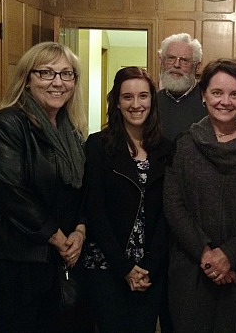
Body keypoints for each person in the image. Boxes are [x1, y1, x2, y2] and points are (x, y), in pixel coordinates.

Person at [0, 42, 89, 332]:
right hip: (10, 263)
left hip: (51, 260)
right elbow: (12, 195)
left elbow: (79, 191)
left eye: (67, 74)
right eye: (46, 72)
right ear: (27, 79)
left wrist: (80, 230)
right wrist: (59, 240)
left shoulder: (71, 130)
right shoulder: (5, 125)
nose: (58, 82)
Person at [164, 58, 236, 332]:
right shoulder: (184, 145)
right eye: (217, 92)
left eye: (234, 94)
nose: (225, 101)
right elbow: (173, 205)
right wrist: (207, 255)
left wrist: (230, 255)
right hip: (193, 273)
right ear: (203, 95)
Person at [81, 67, 172, 333]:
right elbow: (95, 210)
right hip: (107, 266)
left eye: (143, 96)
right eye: (127, 97)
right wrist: (125, 268)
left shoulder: (167, 149)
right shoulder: (98, 145)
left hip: (150, 269)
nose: (136, 104)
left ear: (152, 102)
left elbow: (169, 213)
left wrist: (148, 269)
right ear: (117, 103)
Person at [157, 33, 207, 141]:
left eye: (184, 60)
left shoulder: (209, 102)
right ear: (161, 61)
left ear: (197, 66)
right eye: (171, 58)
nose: (176, 65)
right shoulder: (151, 102)